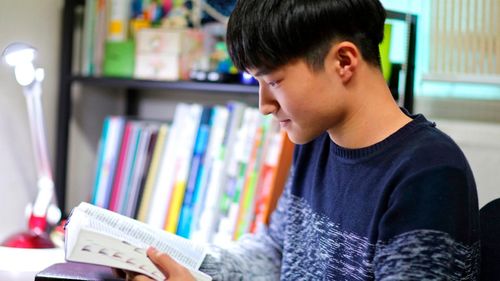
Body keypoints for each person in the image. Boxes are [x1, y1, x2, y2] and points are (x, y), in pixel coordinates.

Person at [123, 0, 480, 280]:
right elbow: (277, 253)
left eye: (274, 81)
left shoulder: (429, 174)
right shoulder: (315, 140)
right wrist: (178, 264)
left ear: (343, 61)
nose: (264, 105)